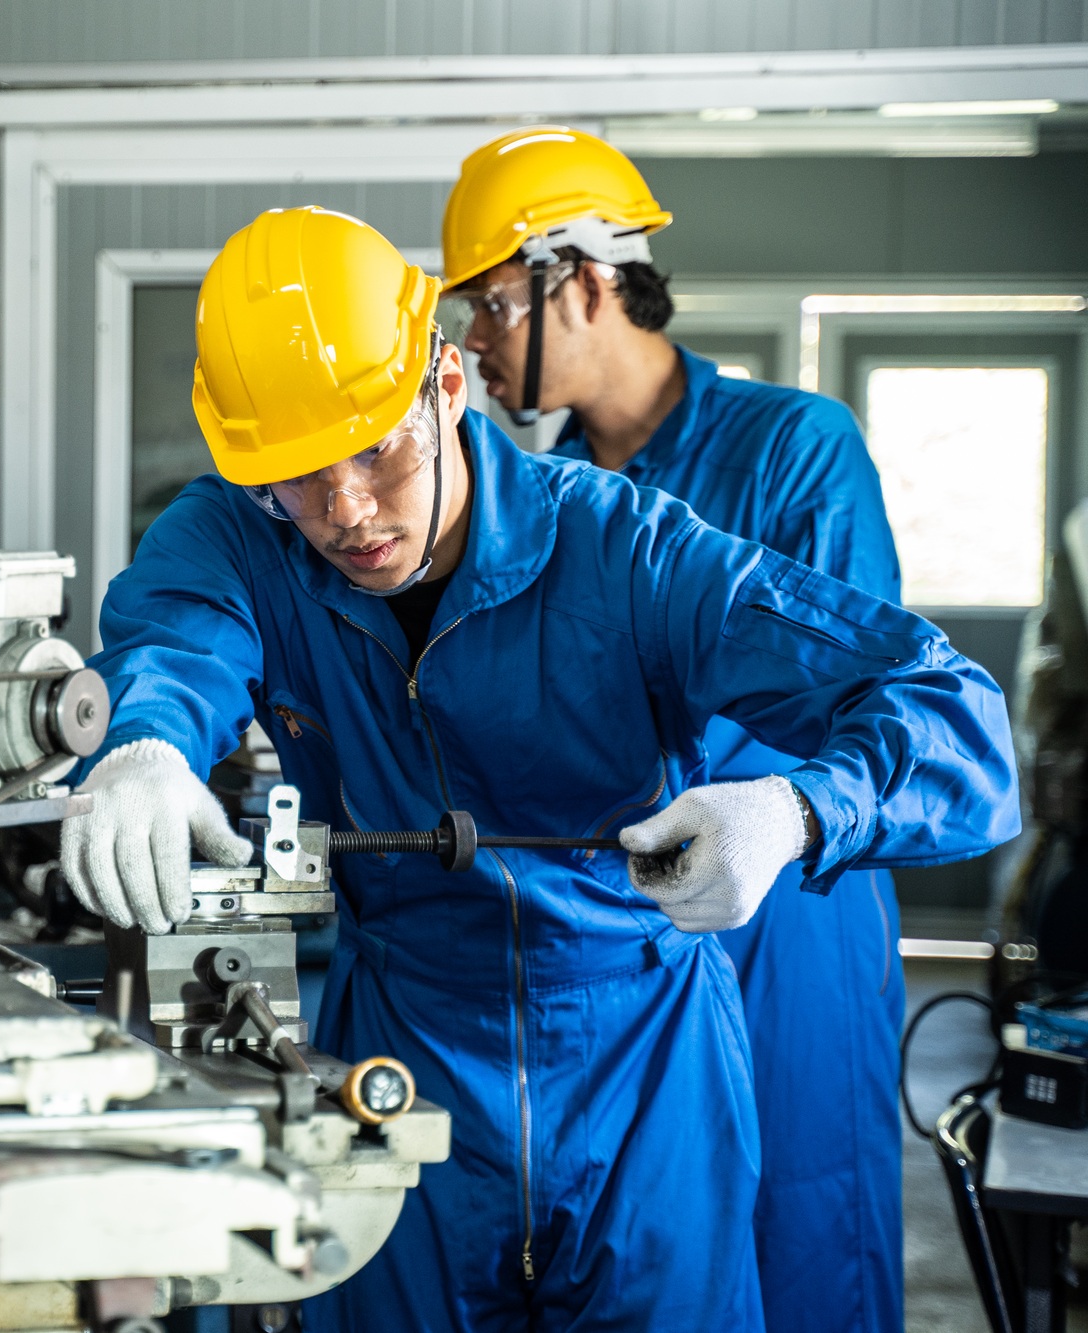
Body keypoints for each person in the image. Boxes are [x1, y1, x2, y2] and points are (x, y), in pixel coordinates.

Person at [59, 205, 1018, 1329]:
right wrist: (145, 743)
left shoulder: (626, 551)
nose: (347, 513)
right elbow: (174, 637)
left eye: (376, 448)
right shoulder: (235, 534)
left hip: (641, 1066)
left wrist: (799, 808)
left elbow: (953, 713)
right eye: (298, 478)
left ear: (447, 385)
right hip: (399, 1049)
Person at [442, 126, 906, 1333]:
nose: (475, 346)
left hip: (787, 909)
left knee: (802, 1228)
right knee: (644, 1257)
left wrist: (775, 808)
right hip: (619, 932)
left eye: (491, 308)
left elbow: (869, 705)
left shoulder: (794, 451)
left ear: (582, 283)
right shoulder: (523, 498)